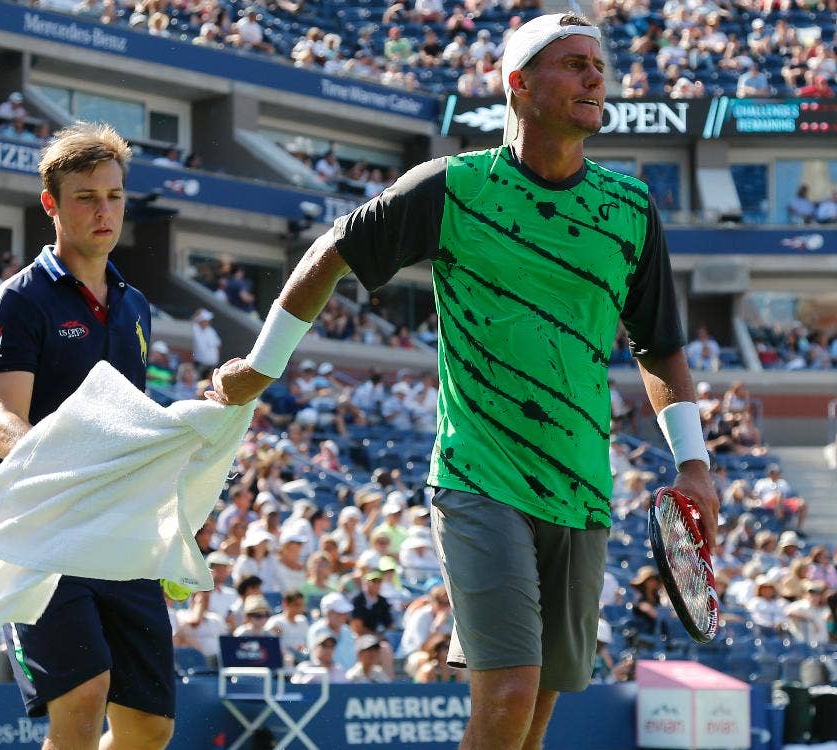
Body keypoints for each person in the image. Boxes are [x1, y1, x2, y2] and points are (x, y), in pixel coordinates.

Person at [205, 12, 718, 749]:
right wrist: (260, 367)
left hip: (581, 488)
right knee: (507, 692)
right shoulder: (454, 188)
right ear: (519, 84)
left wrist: (694, 463)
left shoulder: (631, 209)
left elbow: (661, 347)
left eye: (598, 65)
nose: (595, 76)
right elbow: (333, 251)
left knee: (535, 708)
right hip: (478, 476)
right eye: (572, 63)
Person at [0, 123, 173, 749]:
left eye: (114, 195)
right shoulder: (18, 300)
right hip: (39, 524)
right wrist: (51, 463)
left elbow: (128, 417)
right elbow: (2, 420)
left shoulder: (136, 306)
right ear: (51, 204)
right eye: (86, 196)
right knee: (83, 699)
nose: (104, 210)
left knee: (149, 727)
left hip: (116, 527)